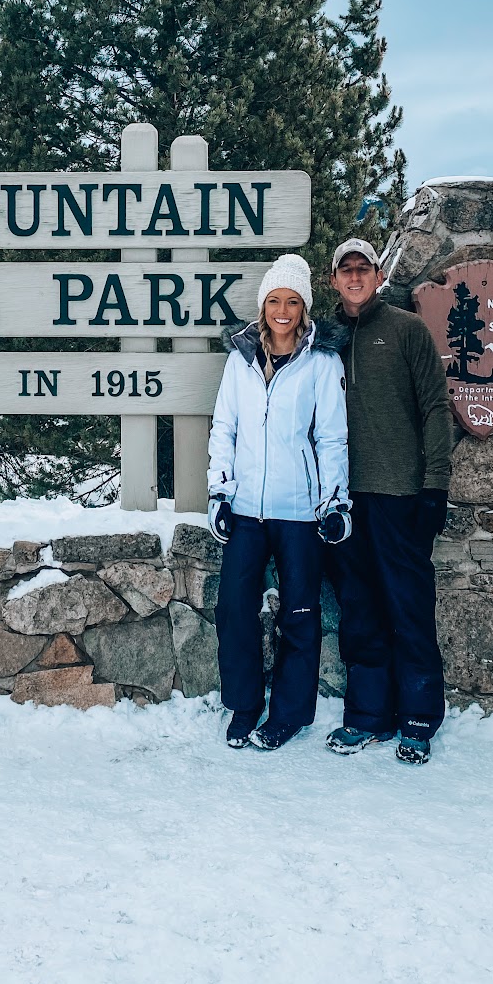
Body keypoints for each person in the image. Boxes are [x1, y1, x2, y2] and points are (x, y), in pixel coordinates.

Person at [207, 254, 352, 750]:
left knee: (300, 614)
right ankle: (244, 705)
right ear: (263, 306)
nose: (283, 311)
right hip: (246, 508)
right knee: (234, 609)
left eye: (292, 302)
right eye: (274, 301)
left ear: (304, 307)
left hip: (300, 513)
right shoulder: (241, 360)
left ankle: (288, 714)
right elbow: (224, 429)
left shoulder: (322, 362)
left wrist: (335, 503)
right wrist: (220, 492)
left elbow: (331, 438)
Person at [323, 237, 453, 766]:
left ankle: (418, 718)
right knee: (359, 611)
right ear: (333, 279)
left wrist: (435, 486)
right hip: (342, 499)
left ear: (378, 276)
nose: (355, 277)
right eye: (346, 269)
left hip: (400, 495)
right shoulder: (323, 339)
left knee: (409, 608)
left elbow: (436, 408)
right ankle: (368, 715)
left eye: (364, 268)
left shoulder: (406, 330)